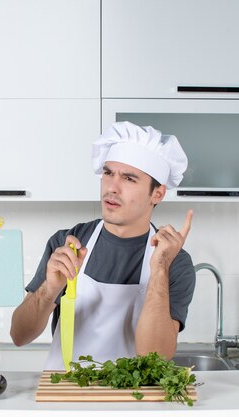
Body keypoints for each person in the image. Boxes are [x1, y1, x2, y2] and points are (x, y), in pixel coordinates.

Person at [10, 121, 196, 369]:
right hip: (67, 394)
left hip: (134, 402)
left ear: (157, 194)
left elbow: (156, 356)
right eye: (108, 173)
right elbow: (19, 336)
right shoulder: (69, 243)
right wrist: (49, 290)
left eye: (129, 178)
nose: (111, 187)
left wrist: (160, 268)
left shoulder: (174, 261)